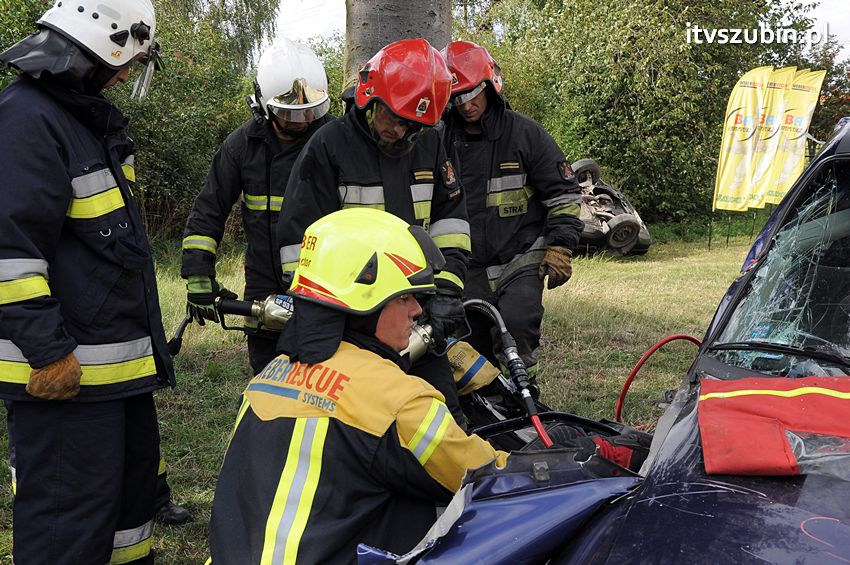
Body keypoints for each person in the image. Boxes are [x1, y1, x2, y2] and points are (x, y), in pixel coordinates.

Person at [209, 208, 508, 563]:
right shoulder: (399, 400)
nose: (417, 310)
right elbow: (493, 477)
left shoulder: (266, 379)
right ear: (366, 303)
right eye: (404, 297)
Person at [0, 1, 175, 562]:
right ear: (98, 48)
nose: (124, 77)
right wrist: (49, 353)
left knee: (128, 526)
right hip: (65, 381)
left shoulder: (81, 120)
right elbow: (9, 253)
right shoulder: (26, 120)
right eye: (125, 63)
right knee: (65, 531)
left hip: (113, 376)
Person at [276, 38, 470, 424]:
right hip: (351, 321)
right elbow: (298, 245)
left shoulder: (430, 144)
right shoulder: (329, 146)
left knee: (441, 414)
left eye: (411, 126)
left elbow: (451, 225)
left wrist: (446, 291)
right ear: (369, 98)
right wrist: (331, 317)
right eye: (392, 118)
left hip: (415, 314)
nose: (398, 131)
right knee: (355, 423)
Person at [181, 38, 334, 375]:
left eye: (310, 110)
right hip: (264, 282)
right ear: (262, 104)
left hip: (328, 280)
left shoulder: (334, 141)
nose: (302, 119)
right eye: (289, 112)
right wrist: (198, 271)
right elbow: (209, 208)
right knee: (268, 373)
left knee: (325, 375)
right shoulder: (242, 146)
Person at [440, 40, 584, 375]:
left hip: (520, 257)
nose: (466, 105)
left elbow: (563, 194)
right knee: (469, 344)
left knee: (518, 326)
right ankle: (488, 401)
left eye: (472, 93)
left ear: (490, 85)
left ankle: (525, 393)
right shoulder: (440, 139)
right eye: (456, 97)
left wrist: (561, 246)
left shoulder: (525, 134)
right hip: (467, 265)